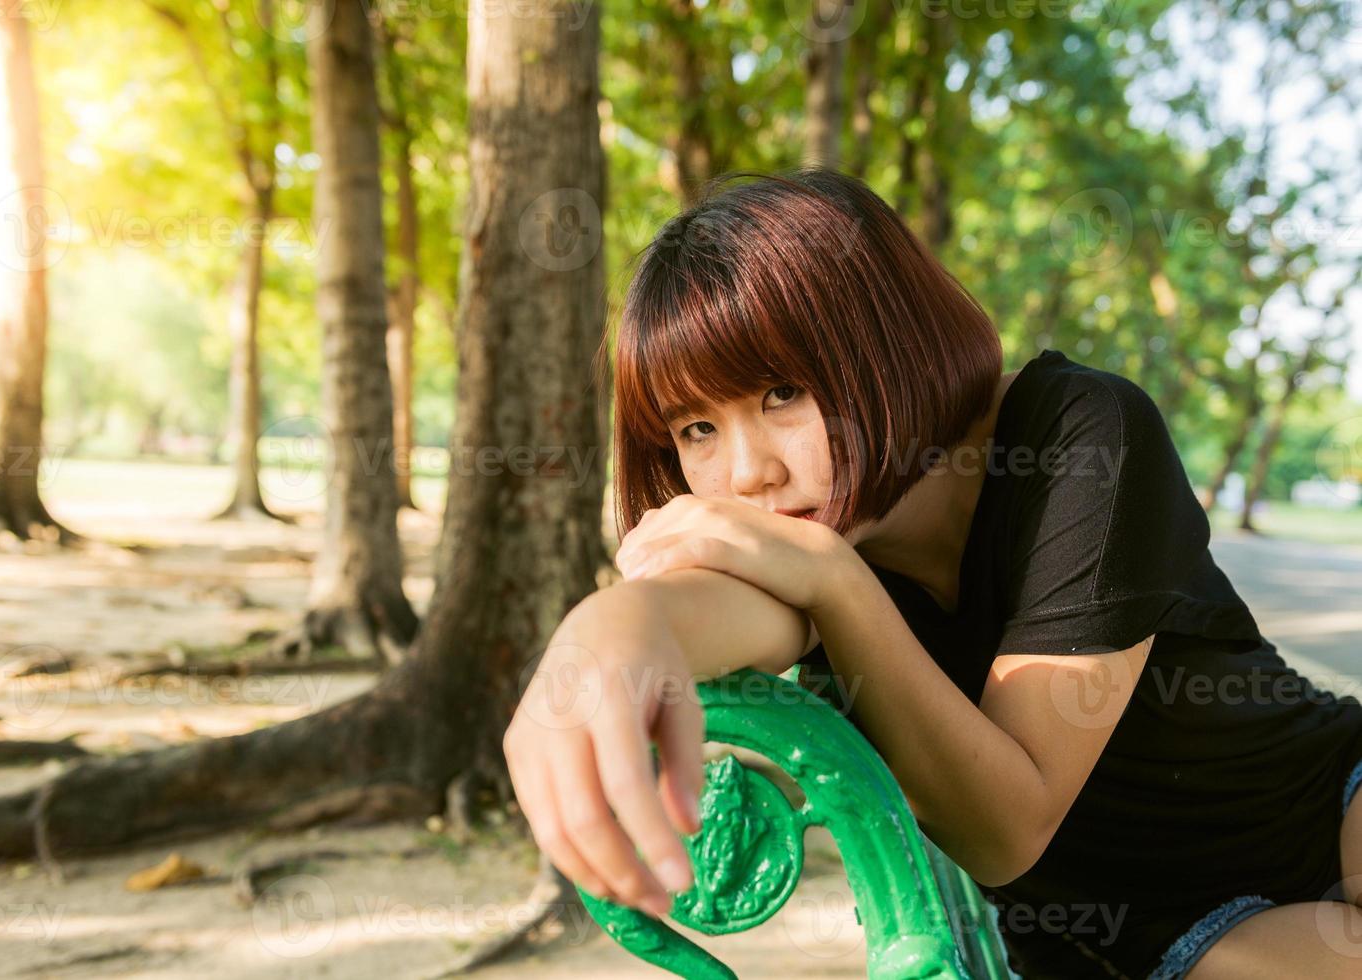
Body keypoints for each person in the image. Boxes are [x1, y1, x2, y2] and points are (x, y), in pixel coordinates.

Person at [500, 166, 1362, 978]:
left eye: (781, 394)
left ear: (885, 340)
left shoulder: (1079, 436)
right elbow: (698, 613)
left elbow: (1007, 825)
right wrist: (605, 631)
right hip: (1162, 948)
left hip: (1330, 803)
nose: (749, 472)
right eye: (696, 430)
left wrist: (837, 582)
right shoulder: (802, 538)